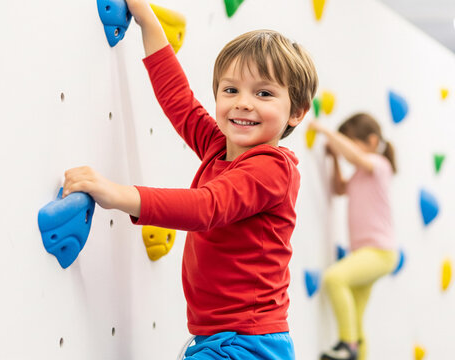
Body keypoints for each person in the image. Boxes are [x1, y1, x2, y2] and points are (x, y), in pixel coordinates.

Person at [62, 1, 318, 359]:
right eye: (231, 90)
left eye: (263, 93)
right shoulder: (219, 148)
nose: (243, 103)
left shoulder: (272, 170)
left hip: (248, 344)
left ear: (296, 112)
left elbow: (205, 207)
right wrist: (148, 23)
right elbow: (178, 100)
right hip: (219, 338)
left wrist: (117, 194)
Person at [309, 113, 398, 360]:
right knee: (357, 320)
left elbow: (355, 156)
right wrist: (335, 158)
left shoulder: (379, 165)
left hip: (380, 252)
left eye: (351, 141)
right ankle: (354, 346)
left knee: (334, 278)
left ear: (371, 141)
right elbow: (338, 188)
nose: (346, 147)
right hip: (364, 253)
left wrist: (326, 132)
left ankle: (347, 345)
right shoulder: (360, 174)